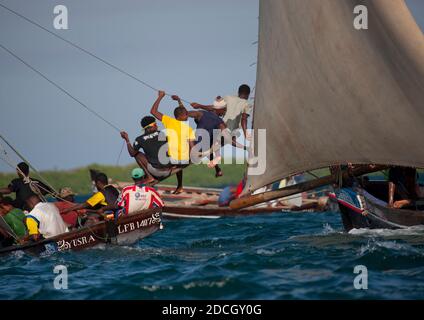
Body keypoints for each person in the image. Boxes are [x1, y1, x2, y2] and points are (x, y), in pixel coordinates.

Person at [150, 90, 196, 194]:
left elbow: (153, 111)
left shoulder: (170, 121)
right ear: (181, 116)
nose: (188, 115)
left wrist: (160, 97)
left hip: (172, 160)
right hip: (183, 160)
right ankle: (179, 186)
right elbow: (192, 148)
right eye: (186, 115)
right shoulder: (188, 129)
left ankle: (176, 184)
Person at [120, 116, 174, 184]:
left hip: (156, 173)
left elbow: (132, 154)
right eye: (155, 124)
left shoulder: (139, 139)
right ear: (150, 127)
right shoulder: (162, 133)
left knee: (137, 155)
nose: (157, 126)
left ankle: (149, 177)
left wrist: (127, 139)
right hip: (169, 170)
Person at [99, 168, 164, 216]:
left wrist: (103, 209)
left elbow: (118, 205)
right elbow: (161, 205)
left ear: (132, 178)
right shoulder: (152, 191)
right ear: (143, 177)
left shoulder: (126, 190)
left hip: (127, 217)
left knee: (115, 212)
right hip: (145, 217)